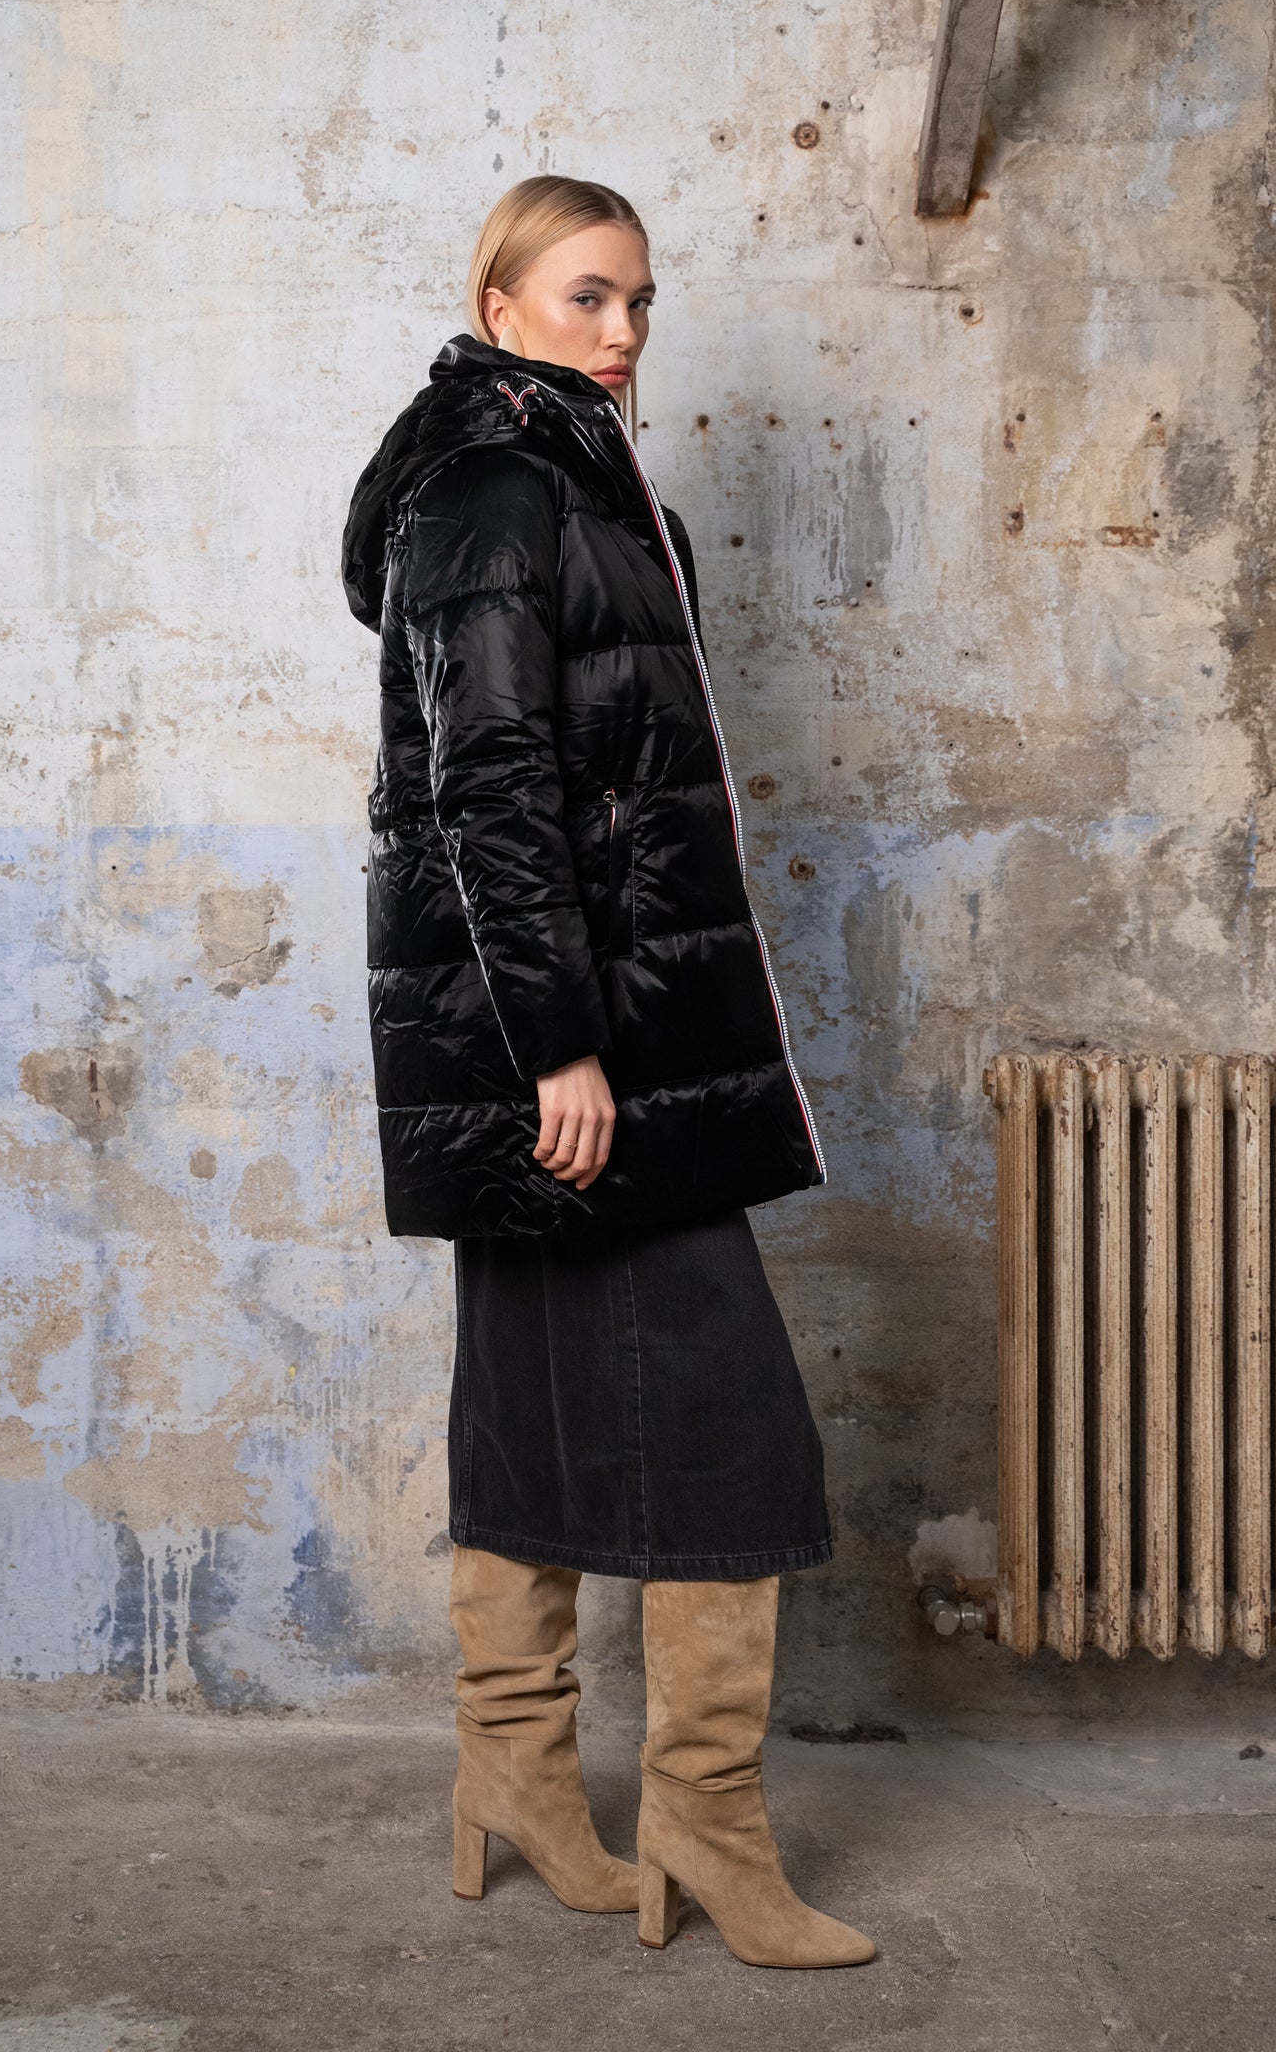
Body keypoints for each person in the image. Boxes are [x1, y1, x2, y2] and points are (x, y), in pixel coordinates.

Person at [342, 175, 874, 1971]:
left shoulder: (579, 484)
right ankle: (706, 1830)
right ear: (498, 307)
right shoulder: (500, 493)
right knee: (731, 1437)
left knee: (535, 1406)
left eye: (642, 300)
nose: (626, 331)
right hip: (583, 1048)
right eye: (586, 297)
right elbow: (491, 785)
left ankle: (514, 1780)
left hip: (581, 1033)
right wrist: (561, 1042)